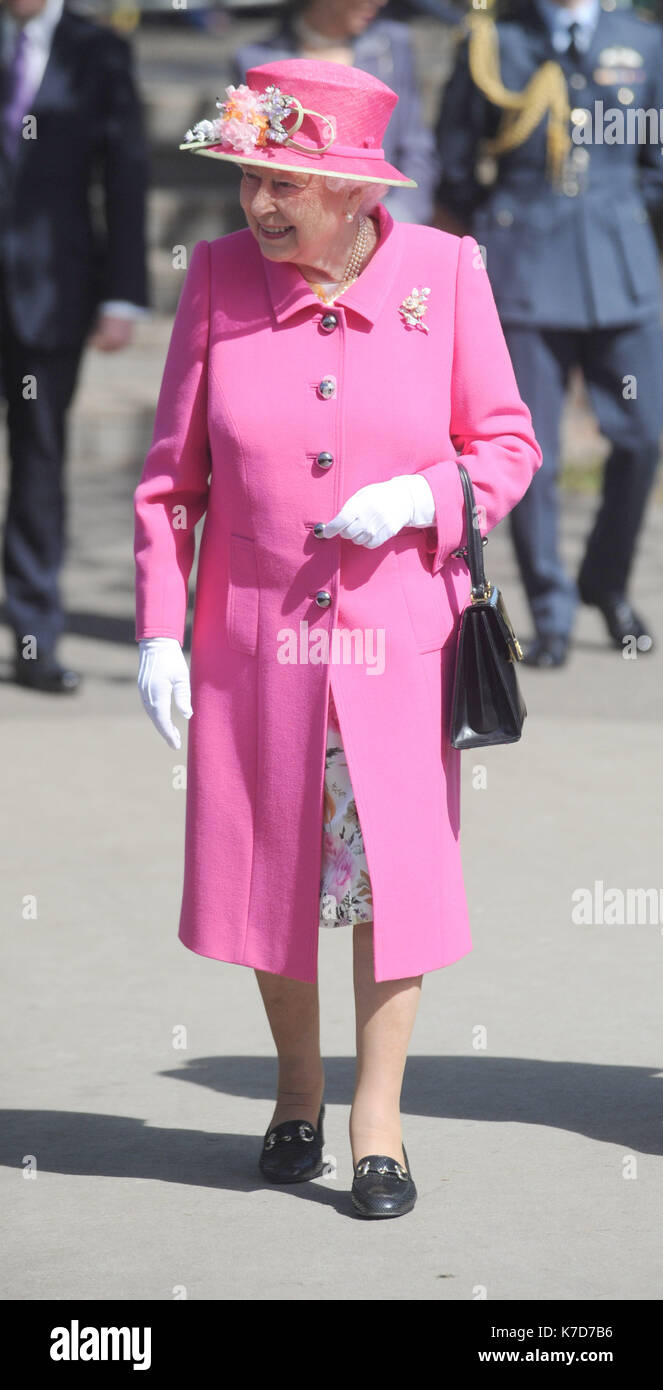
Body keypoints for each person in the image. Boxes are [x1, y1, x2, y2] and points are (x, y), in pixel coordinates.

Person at [133, 58, 542, 1219]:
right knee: (276, 875)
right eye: (251, 180)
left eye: (287, 184)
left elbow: (506, 444)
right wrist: (161, 629)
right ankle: (297, 1094)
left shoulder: (448, 273)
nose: (261, 206)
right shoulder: (215, 279)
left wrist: (424, 499)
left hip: (396, 646)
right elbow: (171, 485)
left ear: (358, 191)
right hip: (255, 645)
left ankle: (379, 1121)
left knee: (390, 883)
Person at [434, 0, 663, 666]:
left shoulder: (641, 39)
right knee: (528, 453)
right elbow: (455, 155)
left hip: (619, 267)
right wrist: (500, 228)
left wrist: (622, 217)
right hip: (522, 268)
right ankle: (550, 612)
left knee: (645, 433)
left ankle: (605, 580)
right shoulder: (491, 41)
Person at [0, 0, 149, 692]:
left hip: (50, 295)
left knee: (38, 464)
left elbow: (123, 173)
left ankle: (35, 641)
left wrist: (122, 293)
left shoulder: (97, 49)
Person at [233, 0, 438, 224]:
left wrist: (392, 222)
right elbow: (257, 167)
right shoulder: (255, 61)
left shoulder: (391, 47)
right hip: (291, 226)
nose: (381, 2)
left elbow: (417, 149)